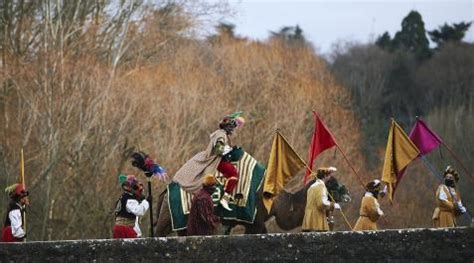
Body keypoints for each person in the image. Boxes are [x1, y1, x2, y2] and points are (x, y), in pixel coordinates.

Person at [173, 112, 245, 211]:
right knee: (233, 174)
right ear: (227, 127)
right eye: (231, 127)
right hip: (215, 161)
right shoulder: (221, 135)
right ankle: (225, 198)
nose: (232, 129)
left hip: (216, 159)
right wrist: (231, 150)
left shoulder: (221, 134)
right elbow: (218, 150)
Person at [302, 167, 341, 232]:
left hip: (309, 220)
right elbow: (322, 203)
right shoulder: (321, 187)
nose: (330, 177)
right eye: (329, 175)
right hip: (317, 220)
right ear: (325, 176)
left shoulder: (312, 187)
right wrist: (334, 205)